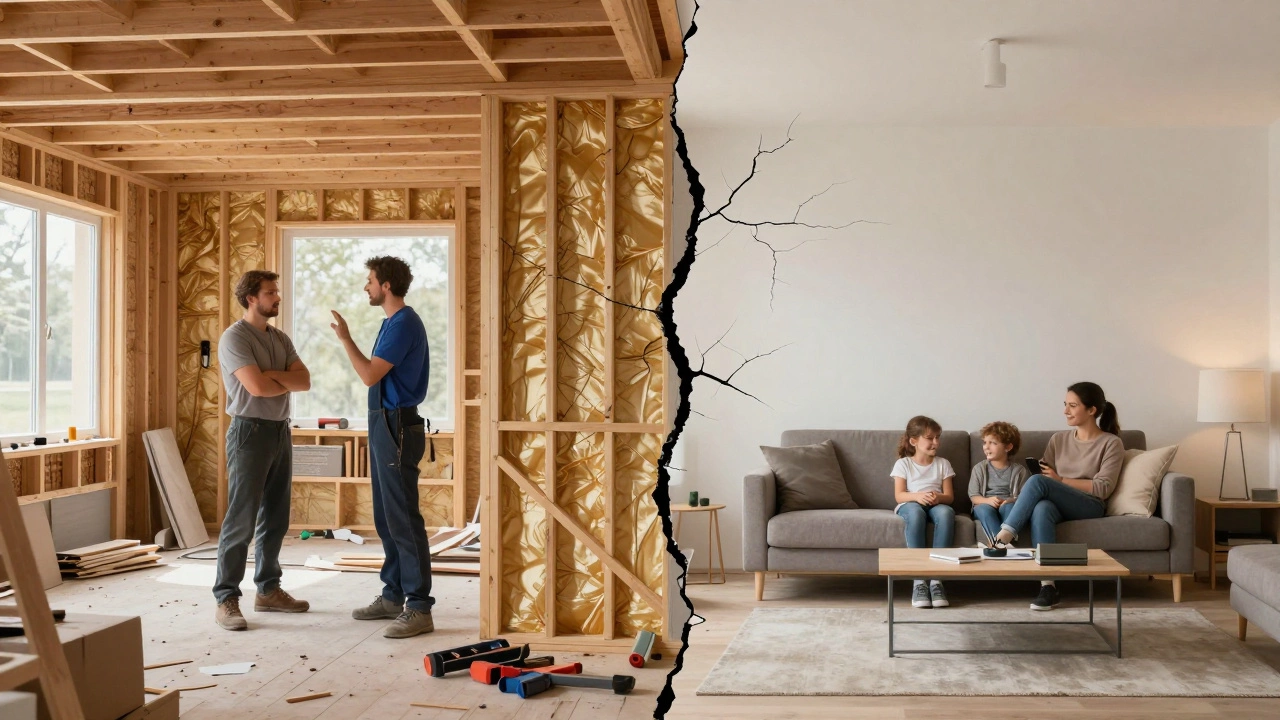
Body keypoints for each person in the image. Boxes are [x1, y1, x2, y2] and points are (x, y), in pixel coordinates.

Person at [330, 256, 435, 639]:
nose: (366, 286)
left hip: (396, 425)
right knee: (385, 516)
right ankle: (393, 595)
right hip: (383, 422)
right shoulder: (392, 322)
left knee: (404, 517)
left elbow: (370, 374)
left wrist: (345, 339)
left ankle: (419, 607)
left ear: (386, 285)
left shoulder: (404, 322)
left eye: (370, 280)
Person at [213, 270, 312, 631]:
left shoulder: (280, 337)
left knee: (276, 518)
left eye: (277, 291)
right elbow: (256, 387)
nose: (278, 297)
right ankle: (226, 597)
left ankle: (268, 590)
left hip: (279, 430)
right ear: (251, 297)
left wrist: (272, 377)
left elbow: (305, 381)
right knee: (241, 518)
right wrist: (275, 377)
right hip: (249, 430)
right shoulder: (234, 338)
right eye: (271, 292)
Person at [990, 382, 1124, 610]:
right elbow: (1042, 478)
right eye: (1065, 405)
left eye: (1073, 405)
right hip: (1056, 503)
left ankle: (1003, 537)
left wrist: (1059, 481)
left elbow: (1102, 488)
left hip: (1090, 504)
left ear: (1091, 410)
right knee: (1042, 508)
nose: (1065, 411)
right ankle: (1048, 586)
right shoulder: (1058, 439)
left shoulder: (1111, 443)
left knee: (1040, 482)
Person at [891, 415, 956, 609]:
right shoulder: (903, 464)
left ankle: (936, 581)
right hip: (911, 503)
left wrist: (938, 497)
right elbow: (899, 496)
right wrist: (917, 496)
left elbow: (949, 497)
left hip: (936, 503)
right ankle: (919, 581)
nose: (935, 442)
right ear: (914, 441)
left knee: (946, 513)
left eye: (938, 437)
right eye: (930, 438)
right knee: (916, 514)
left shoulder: (943, 463)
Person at [968, 421, 1030, 545]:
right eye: (985, 442)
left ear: (1008, 447)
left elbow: (1024, 498)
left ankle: (1003, 541)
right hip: (984, 504)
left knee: (1010, 508)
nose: (986, 447)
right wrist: (988, 501)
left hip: (1007, 505)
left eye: (993, 443)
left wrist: (1009, 501)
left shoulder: (1019, 471)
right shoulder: (979, 468)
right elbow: (974, 496)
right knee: (984, 509)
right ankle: (1001, 544)